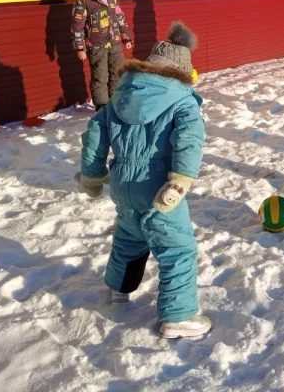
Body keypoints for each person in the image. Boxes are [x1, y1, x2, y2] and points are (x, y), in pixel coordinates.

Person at [76, 21, 211, 339]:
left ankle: (119, 288)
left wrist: (92, 174)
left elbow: (94, 134)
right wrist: (181, 180)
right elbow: (189, 140)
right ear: (182, 71)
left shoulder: (120, 97)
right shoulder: (181, 100)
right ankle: (179, 317)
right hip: (159, 185)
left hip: (123, 183)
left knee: (129, 235)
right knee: (177, 247)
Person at [71, 0, 133, 110]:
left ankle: (115, 101)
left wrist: (126, 37)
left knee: (117, 72)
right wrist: (80, 48)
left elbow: (120, 19)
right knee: (100, 76)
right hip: (96, 46)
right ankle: (102, 105)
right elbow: (77, 26)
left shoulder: (111, 0)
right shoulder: (83, 2)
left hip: (115, 43)